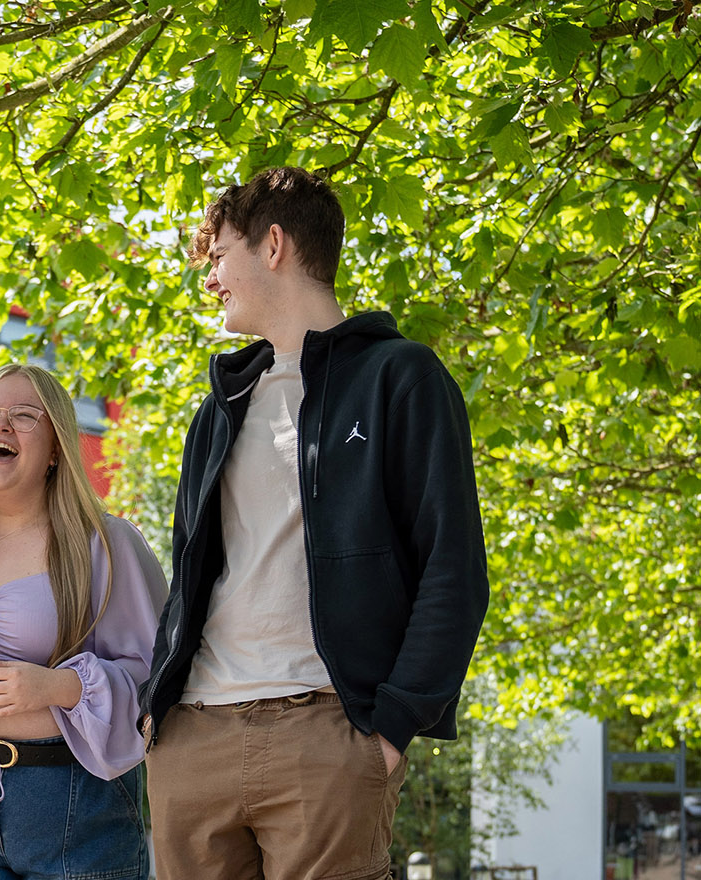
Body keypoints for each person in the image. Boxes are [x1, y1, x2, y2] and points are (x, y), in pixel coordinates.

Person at [139, 166, 489, 879]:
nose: (212, 279)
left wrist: (392, 726)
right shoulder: (220, 407)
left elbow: (452, 570)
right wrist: (157, 707)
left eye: (220, 256)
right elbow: (192, 572)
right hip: (194, 737)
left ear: (273, 246)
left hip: (326, 733)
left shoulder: (402, 377)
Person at [0, 363, 166, 879]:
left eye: (24, 415)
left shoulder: (106, 545)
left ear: (54, 451)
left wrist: (61, 687)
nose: (0, 424)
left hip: (73, 807)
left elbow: (157, 683)